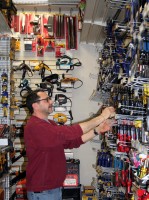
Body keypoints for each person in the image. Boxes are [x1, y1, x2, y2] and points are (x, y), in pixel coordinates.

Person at [24, 89, 115, 200]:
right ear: (35, 105)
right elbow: (68, 133)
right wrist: (101, 117)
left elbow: (72, 142)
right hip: (43, 192)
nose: (51, 101)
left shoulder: (49, 124)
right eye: (47, 100)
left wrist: (97, 130)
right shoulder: (34, 126)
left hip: (51, 189)